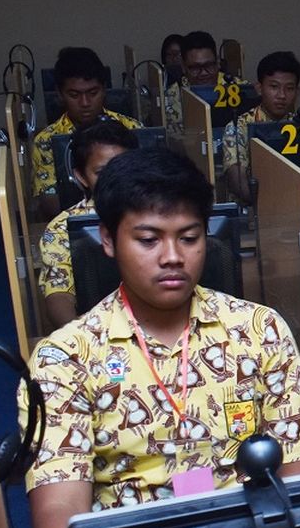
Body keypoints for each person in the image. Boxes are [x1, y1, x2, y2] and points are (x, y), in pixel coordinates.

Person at [22, 147, 300, 528]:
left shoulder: (259, 331)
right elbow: (58, 509)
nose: (172, 256)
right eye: (148, 239)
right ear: (107, 240)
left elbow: (297, 475)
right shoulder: (64, 357)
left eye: (189, 237)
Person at [37, 119, 138, 329]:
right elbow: (58, 294)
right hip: (98, 330)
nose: (116, 178)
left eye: (123, 166)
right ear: (81, 177)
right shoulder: (61, 227)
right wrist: (83, 339)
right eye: (102, 173)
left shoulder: (166, 212)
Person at [31, 47, 141, 216]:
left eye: (93, 93)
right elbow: (49, 201)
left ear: (104, 89)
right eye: (74, 95)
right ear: (60, 95)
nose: (85, 102)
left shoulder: (133, 128)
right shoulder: (46, 140)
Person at [222, 50, 300, 203]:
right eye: (274, 87)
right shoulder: (238, 126)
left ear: (297, 92)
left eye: (289, 88)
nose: (282, 95)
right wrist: (267, 206)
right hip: (251, 208)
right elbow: (236, 178)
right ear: (259, 88)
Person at [164, 30, 250, 132]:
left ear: (218, 62)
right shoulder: (170, 98)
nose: (203, 73)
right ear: (183, 66)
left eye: (209, 65)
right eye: (195, 68)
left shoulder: (239, 89)